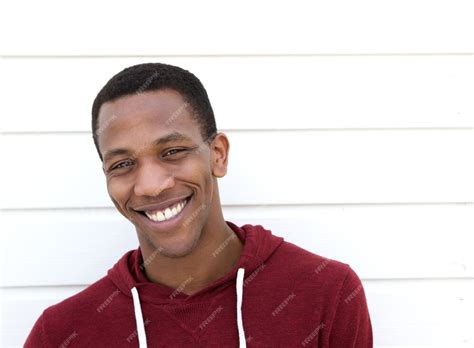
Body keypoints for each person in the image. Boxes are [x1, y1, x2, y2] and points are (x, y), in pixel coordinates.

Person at [24, 62, 373, 347]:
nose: (150, 185)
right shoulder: (59, 334)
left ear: (217, 155)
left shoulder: (327, 292)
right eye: (122, 164)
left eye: (172, 152)